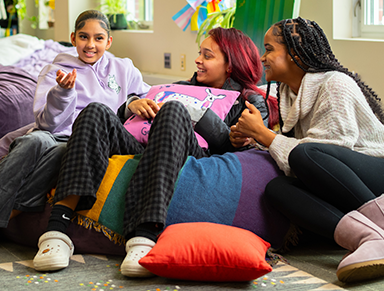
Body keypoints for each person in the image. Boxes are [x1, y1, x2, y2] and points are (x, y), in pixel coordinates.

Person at [32, 27, 273, 277]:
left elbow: (243, 150)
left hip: (190, 153)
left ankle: (143, 237)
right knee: (94, 111)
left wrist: (205, 119)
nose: (198, 60)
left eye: (207, 56)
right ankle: (57, 230)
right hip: (143, 145)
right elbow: (125, 120)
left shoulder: (249, 101)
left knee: (174, 111)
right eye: (199, 53)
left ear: (230, 65)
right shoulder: (179, 86)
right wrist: (131, 105)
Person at [230, 16, 384, 283]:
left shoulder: (335, 83)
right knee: (277, 189)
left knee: (305, 155)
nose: (262, 57)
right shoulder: (286, 93)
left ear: (295, 53)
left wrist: (265, 135)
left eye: (269, 49)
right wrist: (248, 136)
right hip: (351, 191)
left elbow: (324, 156)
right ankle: (369, 237)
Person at [0, 9, 150, 229]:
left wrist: (133, 101)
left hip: (85, 141)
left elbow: (146, 96)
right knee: (33, 142)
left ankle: (10, 214)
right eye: (83, 37)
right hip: (54, 133)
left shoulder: (124, 68)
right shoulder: (54, 70)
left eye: (98, 38)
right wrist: (62, 92)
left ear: (108, 41)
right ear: (73, 38)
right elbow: (46, 124)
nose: (90, 45)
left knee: (61, 155)